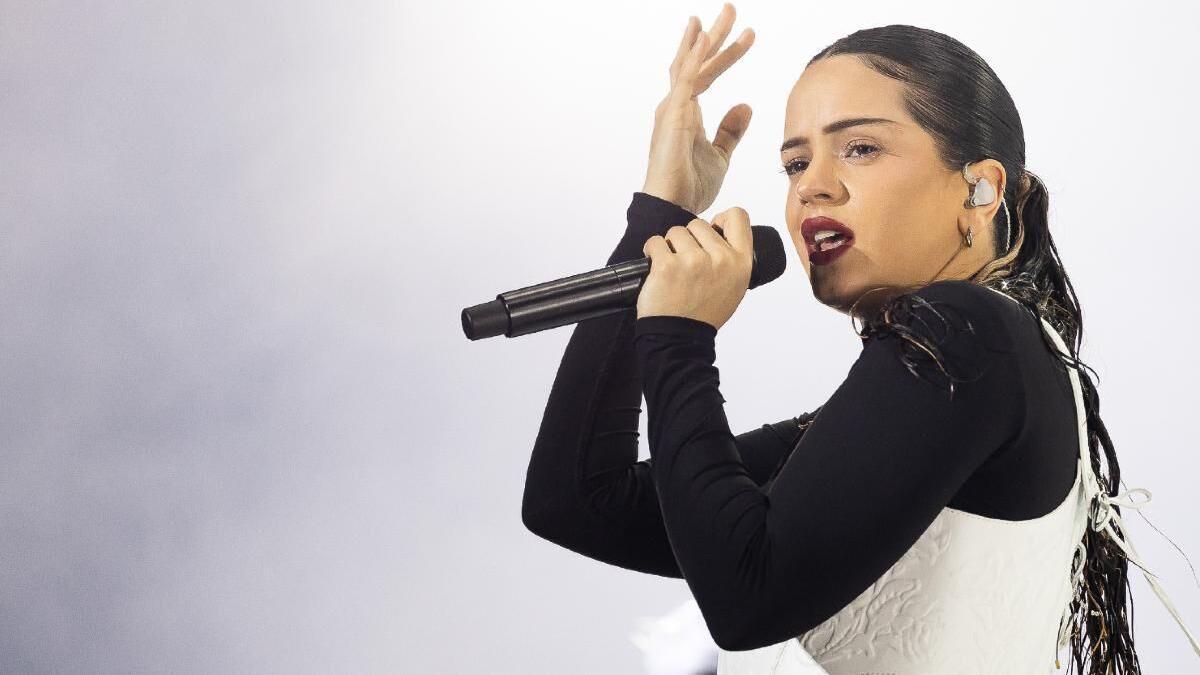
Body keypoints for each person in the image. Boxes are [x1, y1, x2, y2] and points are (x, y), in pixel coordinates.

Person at [519, 4, 1200, 673]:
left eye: (861, 148)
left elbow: (746, 601)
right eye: (793, 164)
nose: (812, 186)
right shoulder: (967, 365)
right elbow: (578, 502)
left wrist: (680, 336)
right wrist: (661, 214)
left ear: (982, 187)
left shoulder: (968, 331)